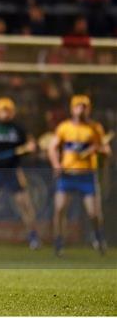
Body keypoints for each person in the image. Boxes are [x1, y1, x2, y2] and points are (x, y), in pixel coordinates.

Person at [0, 97, 40, 249]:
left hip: (13, 170)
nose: (5, 113)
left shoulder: (18, 129)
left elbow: (29, 144)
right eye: (2, 110)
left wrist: (31, 147)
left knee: (25, 205)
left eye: (8, 110)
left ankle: (33, 237)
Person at [48, 95, 109, 256]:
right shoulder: (64, 127)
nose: (80, 109)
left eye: (84, 106)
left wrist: (97, 150)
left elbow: (106, 150)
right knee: (60, 209)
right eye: (78, 106)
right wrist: (56, 164)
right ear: (72, 108)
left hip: (87, 175)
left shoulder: (95, 128)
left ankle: (98, 236)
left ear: (88, 109)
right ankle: (59, 242)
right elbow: (52, 147)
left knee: (93, 213)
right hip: (67, 174)